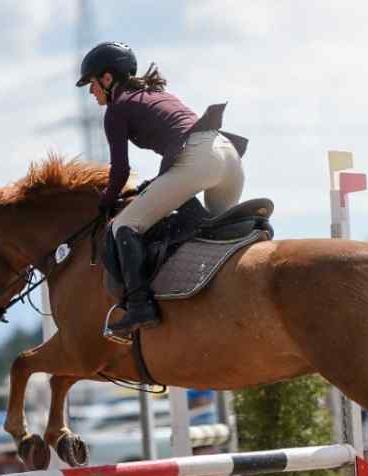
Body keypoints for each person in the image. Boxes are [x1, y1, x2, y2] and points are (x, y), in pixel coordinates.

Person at [77, 41, 248, 336]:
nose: (90, 92)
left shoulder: (116, 110)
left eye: (91, 83)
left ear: (107, 79)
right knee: (217, 235)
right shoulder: (155, 93)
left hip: (197, 159)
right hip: (228, 154)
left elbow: (120, 172)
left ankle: (141, 306)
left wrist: (106, 202)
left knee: (122, 226)